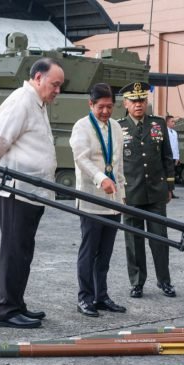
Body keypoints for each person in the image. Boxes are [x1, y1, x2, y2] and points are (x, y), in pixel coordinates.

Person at [0, 58, 65, 329]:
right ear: (38, 78)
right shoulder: (22, 100)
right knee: (15, 250)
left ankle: (16, 303)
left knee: (23, 249)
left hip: (31, 191)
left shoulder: (37, 103)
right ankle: (5, 310)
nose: (58, 90)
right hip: (16, 191)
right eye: (55, 84)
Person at [69, 83, 127, 317]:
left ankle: (101, 296)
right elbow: (81, 159)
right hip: (91, 197)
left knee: (105, 253)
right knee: (89, 251)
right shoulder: (81, 127)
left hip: (113, 198)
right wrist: (101, 178)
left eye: (109, 106)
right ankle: (85, 297)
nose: (105, 111)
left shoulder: (115, 127)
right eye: (100, 107)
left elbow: (118, 162)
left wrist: (123, 192)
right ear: (90, 104)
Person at [118, 82, 177, 298]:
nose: (138, 104)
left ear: (146, 101)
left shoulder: (158, 124)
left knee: (160, 239)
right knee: (134, 241)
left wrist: (169, 186)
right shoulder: (118, 126)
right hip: (130, 194)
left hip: (156, 192)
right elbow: (115, 162)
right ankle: (137, 283)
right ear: (125, 103)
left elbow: (167, 157)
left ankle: (165, 281)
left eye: (141, 100)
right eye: (133, 101)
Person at [166, 115, 181, 198]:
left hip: (173, 157)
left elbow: (176, 146)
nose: (174, 123)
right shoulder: (165, 132)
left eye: (174, 121)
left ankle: (171, 191)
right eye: (172, 121)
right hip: (167, 156)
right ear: (167, 122)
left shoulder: (174, 132)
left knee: (172, 175)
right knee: (167, 175)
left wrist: (177, 157)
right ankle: (168, 192)